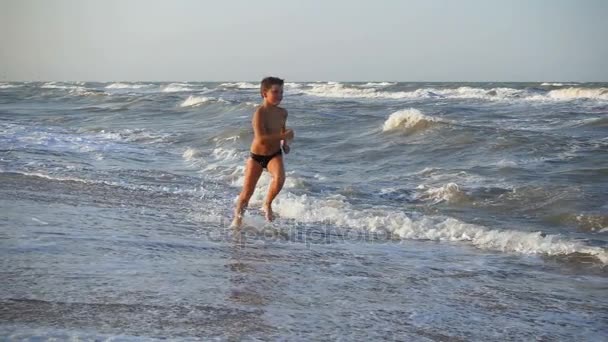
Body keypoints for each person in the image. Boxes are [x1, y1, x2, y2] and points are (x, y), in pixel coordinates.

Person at [232, 76, 294, 227]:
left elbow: (282, 129)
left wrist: (285, 143)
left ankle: (267, 203)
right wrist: (283, 136)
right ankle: (237, 220)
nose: (279, 95)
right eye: (275, 92)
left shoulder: (283, 113)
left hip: (274, 154)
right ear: (264, 93)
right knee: (247, 194)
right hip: (257, 157)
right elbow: (261, 138)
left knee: (280, 179)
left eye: (281, 92)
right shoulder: (259, 113)